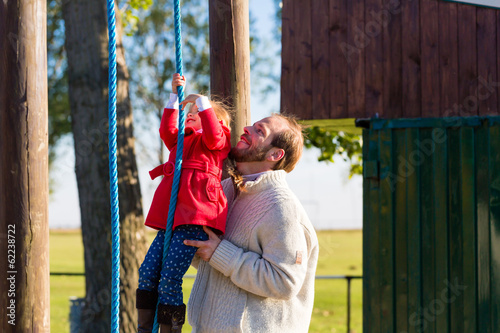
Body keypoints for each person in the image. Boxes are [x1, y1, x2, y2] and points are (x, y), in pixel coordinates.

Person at [184, 114, 319, 333]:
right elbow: (212, 262)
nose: (246, 129)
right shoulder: (224, 190)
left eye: (259, 131)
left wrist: (219, 252)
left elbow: (284, 281)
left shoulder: (283, 208)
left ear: (275, 154)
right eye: (252, 126)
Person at [136, 74, 231, 333]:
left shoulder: (217, 141)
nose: (190, 114)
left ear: (214, 118)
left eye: (196, 113)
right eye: (189, 112)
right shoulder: (181, 141)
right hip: (173, 217)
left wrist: (202, 102)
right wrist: (174, 99)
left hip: (195, 217)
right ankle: (145, 328)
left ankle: (170, 330)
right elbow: (167, 130)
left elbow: (213, 135)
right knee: (147, 272)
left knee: (169, 280)